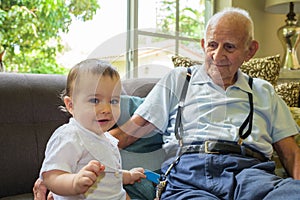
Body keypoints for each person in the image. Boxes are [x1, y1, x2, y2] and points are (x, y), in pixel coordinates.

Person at [34, 7, 300, 200]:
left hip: (251, 175)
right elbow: (128, 133)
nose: (217, 55)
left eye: (229, 47)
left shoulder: (263, 91)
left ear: (250, 50)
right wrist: (57, 174)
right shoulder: (178, 80)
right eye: (212, 45)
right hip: (190, 175)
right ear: (202, 45)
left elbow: (291, 154)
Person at [38, 59, 145, 200]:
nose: (106, 109)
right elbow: (51, 176)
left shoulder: (106, 138)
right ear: (71, 105)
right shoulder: (69, 136)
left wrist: (129, 176)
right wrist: (74, 182)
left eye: (113, 101)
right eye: (95, 100)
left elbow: (111, 174)